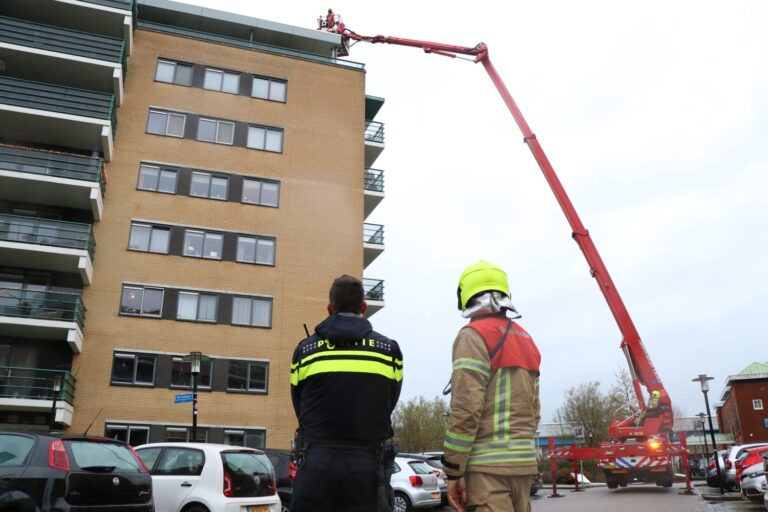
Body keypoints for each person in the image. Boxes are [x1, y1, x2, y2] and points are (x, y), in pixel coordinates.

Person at [290, 274, 403, 512]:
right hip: (367, 470)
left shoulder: (305, 351)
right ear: (363, 307)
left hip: (316, 467)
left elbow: (298, 403)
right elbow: (389, 401)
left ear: (330, 309)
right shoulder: (388, 351)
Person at [443, 260, 541, 512]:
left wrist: (453, 470)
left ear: (465, 295)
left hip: (487, 468)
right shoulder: (526, 339)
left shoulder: (472, 335)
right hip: (523, 465)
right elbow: (534, 410)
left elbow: (466, 410)